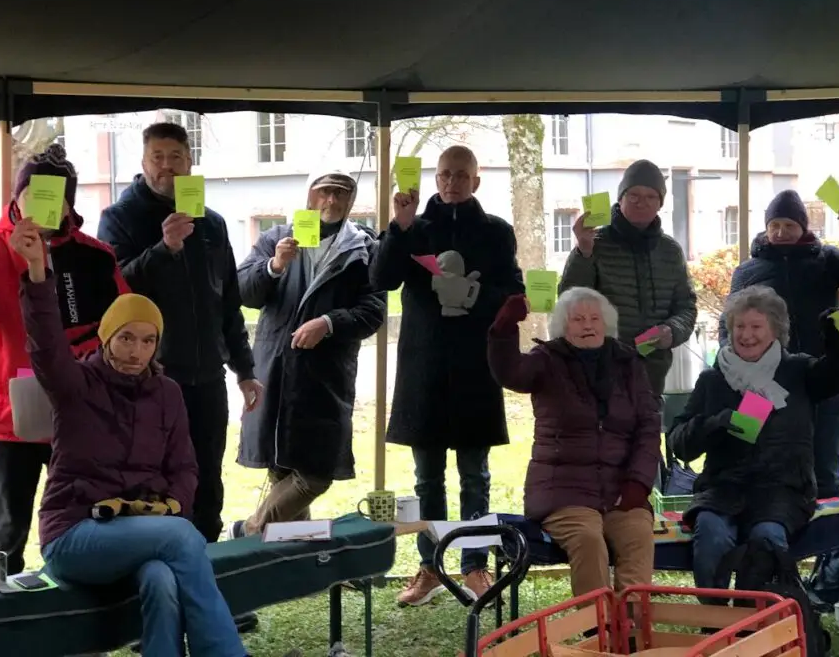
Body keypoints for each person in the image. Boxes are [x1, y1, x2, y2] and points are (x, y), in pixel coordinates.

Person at [11, 216, 249, 657]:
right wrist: (38, 272)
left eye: (146, 341)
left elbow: (184, 467)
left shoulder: (167, 393)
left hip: (142, 531)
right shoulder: (75, 385)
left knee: (161, 577)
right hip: (74, 535)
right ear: (105, 340)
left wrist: (170, 504)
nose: (135, 350)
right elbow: (45, 342)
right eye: (125, 339)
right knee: (180, 537)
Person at [97, 122, 261, 630]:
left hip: (207, 376)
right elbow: (116, 289)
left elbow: (227, 302)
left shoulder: (211, 222)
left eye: (176, 156)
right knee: (151, 488)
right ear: (143, 162)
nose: (167, 166)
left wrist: (246, 369)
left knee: (206, 484)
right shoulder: (119, 218)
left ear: (190, 161)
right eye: (157, 157)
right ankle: (150, 599)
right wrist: (163, 249)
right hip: (146, 382)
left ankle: (205, 593)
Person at [370, 145, 524, 606]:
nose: (451, 182)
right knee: (426, 478)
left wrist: (472, 293)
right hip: (425, 363)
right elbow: (382, 279)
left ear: (476, 181)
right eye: (444, 175)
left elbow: (512, 292)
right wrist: (399, 228)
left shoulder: (497, 232)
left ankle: (475, 567)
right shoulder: (413, 228)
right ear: (435, 179)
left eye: (461, 175)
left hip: (476, 363)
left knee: (475, 474)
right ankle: (431, 566)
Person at [0, 143, 127, 574]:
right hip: (6, 419)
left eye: (56, 196)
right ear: (17, 197)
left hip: (77, 411)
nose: (41, 205)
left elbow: (120, 322)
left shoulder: (95, 255)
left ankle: (79, 621)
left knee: (83, 522)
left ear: (68, 204)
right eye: (33, 193)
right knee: (6, 532)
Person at [670, 286, 839, 596]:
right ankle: (715, 623)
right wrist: (718, 422)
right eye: (739, 326)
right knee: (712, 534)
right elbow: (679, 443)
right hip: (723, 488)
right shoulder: (713, 380)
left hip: (783, 489)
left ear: (775, 330)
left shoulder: (798, 370)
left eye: (756, 326)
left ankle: (755, 626)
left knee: (766, 540)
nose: (746, 335)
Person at [231, 171, 385, 536]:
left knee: (316, 471)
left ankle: (250, 531)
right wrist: (275, 266)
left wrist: (329, 323)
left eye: (340, 194)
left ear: (351, 201)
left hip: (326, 374)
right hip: (276, 368)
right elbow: (243, 291)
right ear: (309, 198)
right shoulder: (276, 238)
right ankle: (294, 555)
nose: (330, 201)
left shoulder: (364, 248)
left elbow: (374, 310)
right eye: (324, 193)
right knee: (281, 465)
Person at [487, 288, 660, 596]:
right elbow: (511, 373)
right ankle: (598, 630)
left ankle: (632, 631)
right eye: (577, 319)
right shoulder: (546, 359)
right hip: (563, 490)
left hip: (621, 490)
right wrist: (504, 329)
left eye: (594, 318)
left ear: (606, 324)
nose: (587, 325)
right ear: (563, 327)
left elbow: (648, 426)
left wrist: (638, 483)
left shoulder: (627, 363)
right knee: (588, 539)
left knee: (638, 535)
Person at [720, 190, 839, 499]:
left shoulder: (827, 260)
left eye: (790, 225)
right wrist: (731, 359)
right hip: (761, 382)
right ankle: (768, 534)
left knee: (826, 470)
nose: (781, 232)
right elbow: (729, 322)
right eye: (775, 225)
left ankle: (828, 542)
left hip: (822, 379)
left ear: (804, 227)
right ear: (766, 228)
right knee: (754, 462)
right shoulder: (747, 271)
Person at [559, 159, 697, 398]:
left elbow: (686, 306)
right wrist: (583, 251)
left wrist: (671, 330)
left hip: (653, 374)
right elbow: (569, 299)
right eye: (633, 195)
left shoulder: (670, 251)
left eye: (650, 197)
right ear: (620, 198)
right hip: (599, 369)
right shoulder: (594, 244)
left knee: (647, 433)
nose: (641, 202)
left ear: (660, 203)